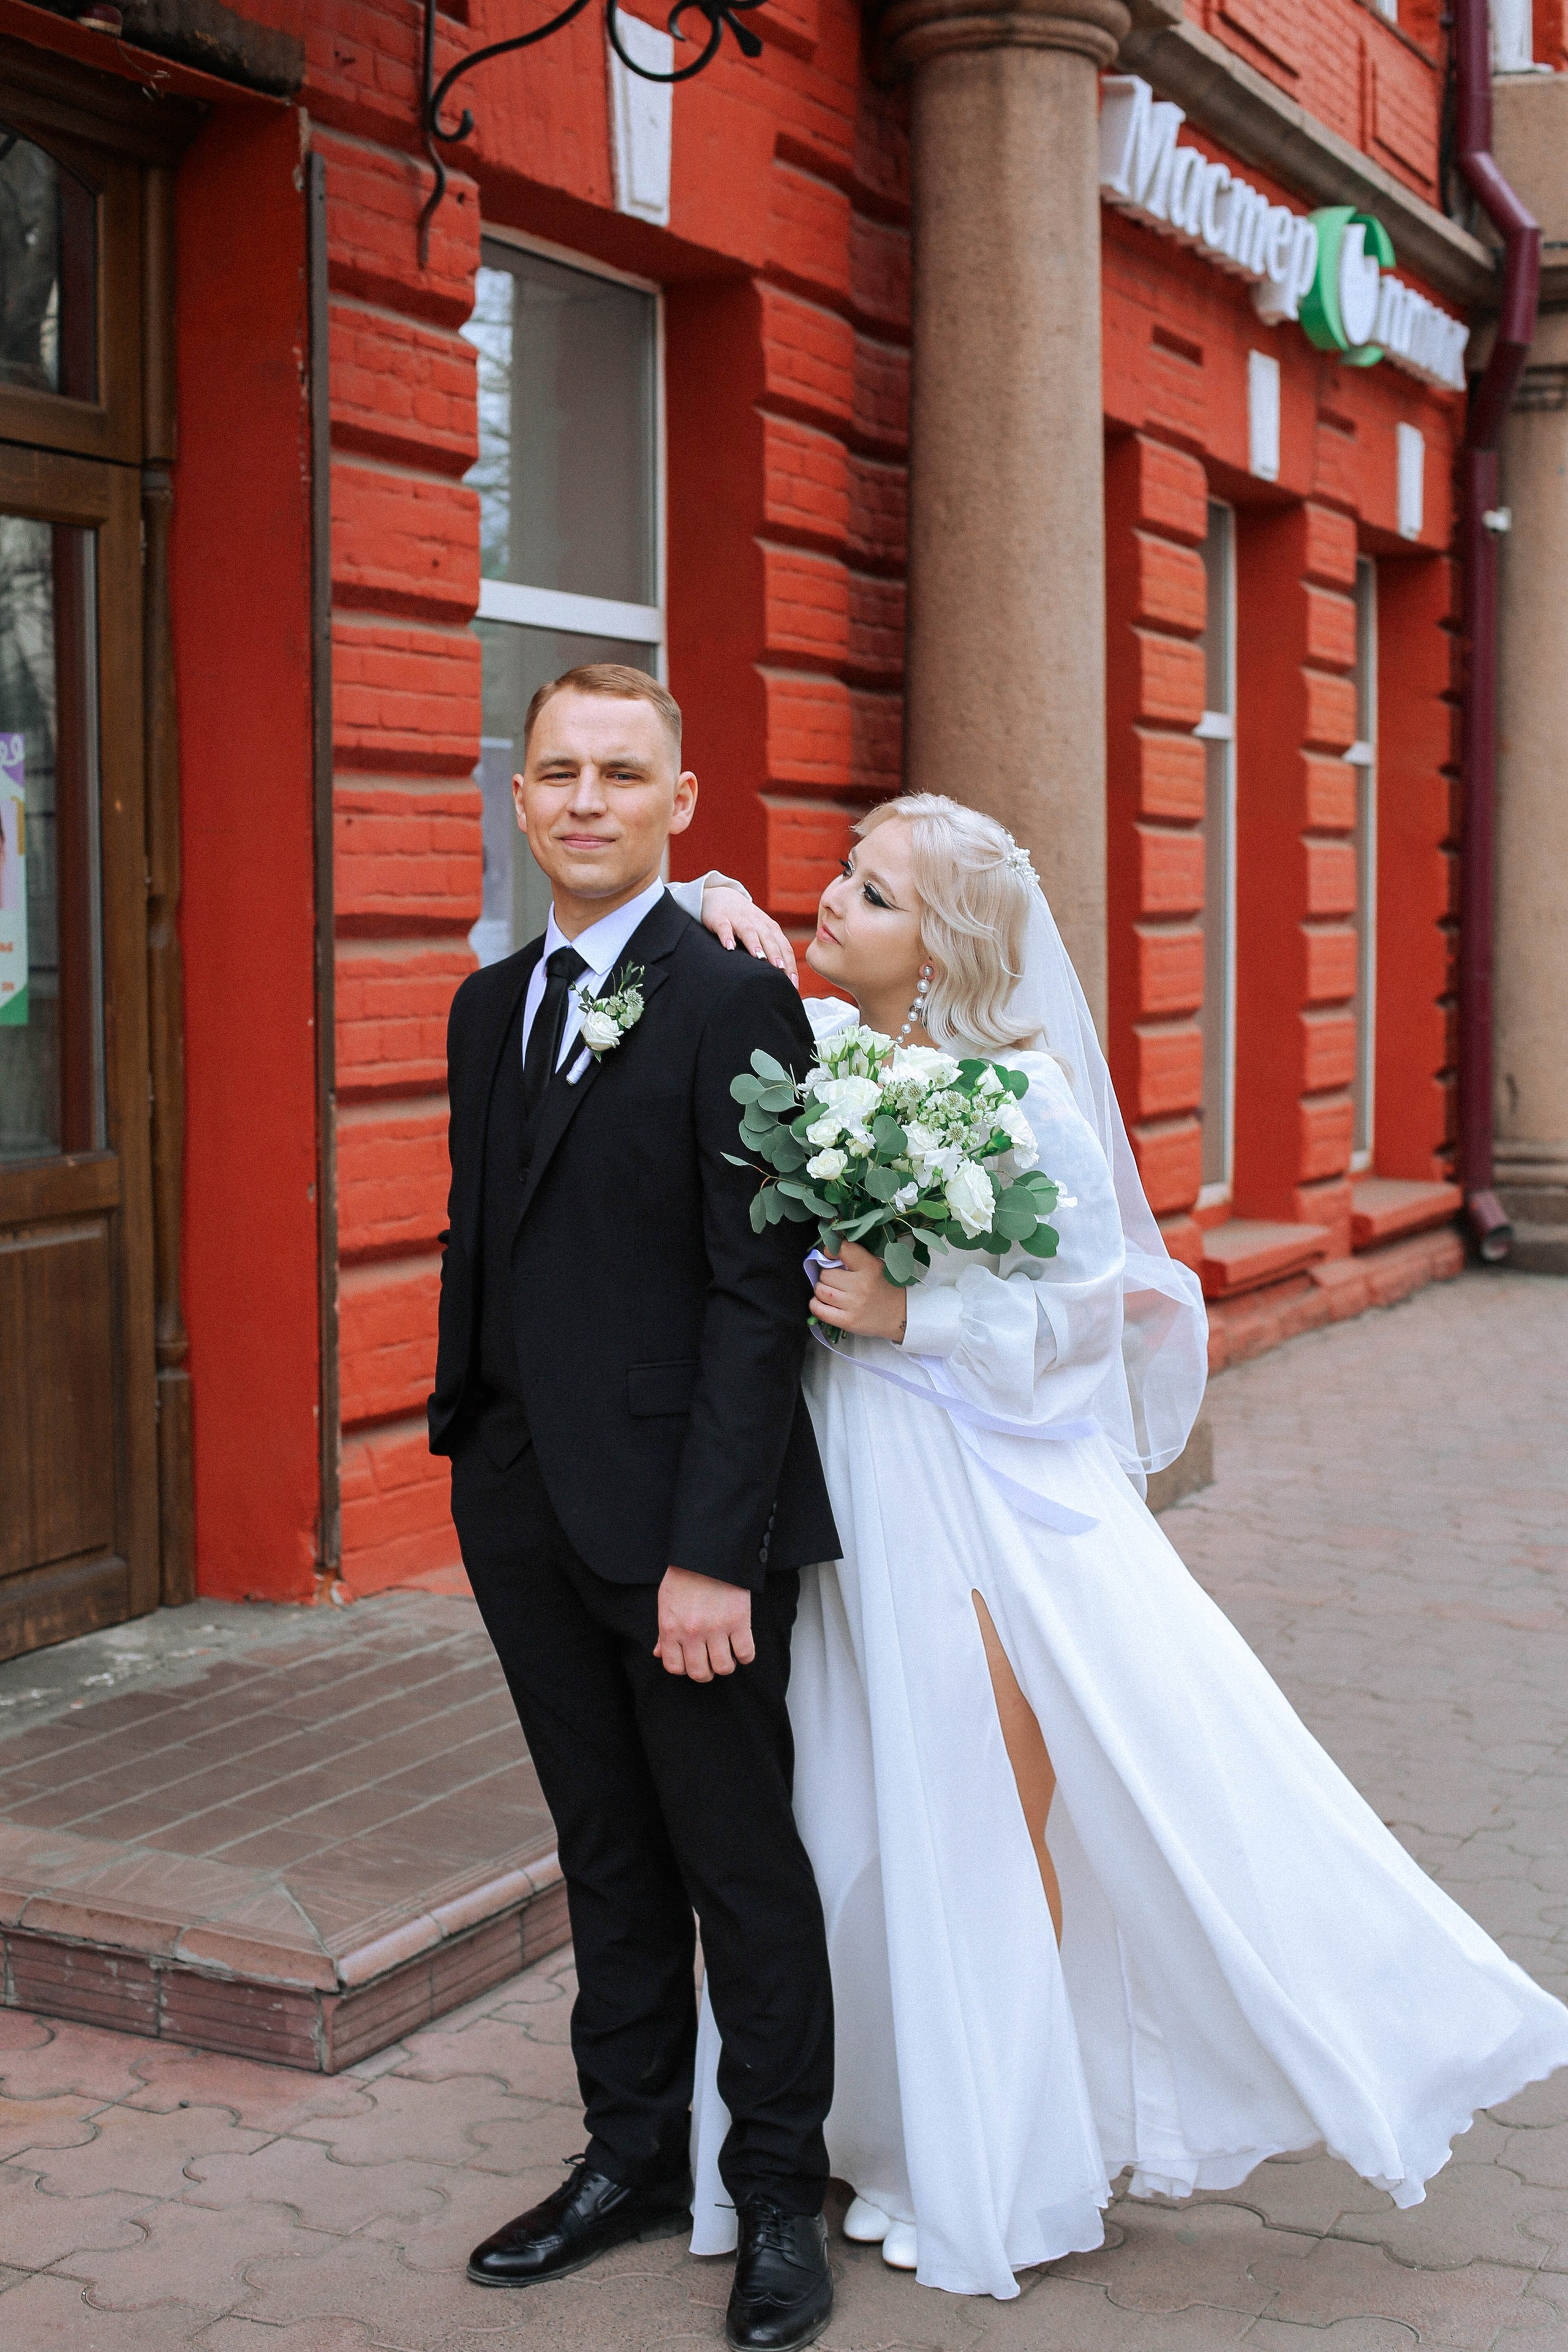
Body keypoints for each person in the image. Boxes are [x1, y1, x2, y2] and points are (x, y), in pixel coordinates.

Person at [690, 791, 1568, 2301]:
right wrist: (713, 890)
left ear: (943, 949)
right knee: (844, 1811)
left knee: (971, 1814)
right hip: (836, 1491)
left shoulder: (1018, 1096)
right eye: (842, 872)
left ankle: (991, 2162)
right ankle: (863, 2121)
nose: (833, 899)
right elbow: (675, 907)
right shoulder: (818, 1047)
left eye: (876, 894)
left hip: (971, 1497)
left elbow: (1085, 1318)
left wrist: (916, 1312)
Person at [429, 663, 841, 2352]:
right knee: (601, 1851)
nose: (586, 799)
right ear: (520, 799)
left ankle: (780, 2196)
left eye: (621, 773)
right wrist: (472, 1446)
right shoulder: (485, 1005)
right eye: (558, 772)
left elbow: (758, 1297)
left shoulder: (735, 995)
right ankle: (630, 2159)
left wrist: (711, 1555)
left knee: (736, 1866)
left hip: (686, 1533)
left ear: (680, 803)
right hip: (521, 1506)